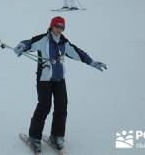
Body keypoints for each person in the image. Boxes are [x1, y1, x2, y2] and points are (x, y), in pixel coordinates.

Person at [14, 16, 107, 153]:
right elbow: (29, 43)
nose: (59, 29)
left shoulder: (64, 43)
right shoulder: (43, 39)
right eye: (57, 26)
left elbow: (77, 52)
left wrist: (91, 62)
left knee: (62, 105)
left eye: (62, 27)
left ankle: (56, 136)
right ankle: (34, 137)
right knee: (44, 106)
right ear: (51, 26)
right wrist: (22, 46)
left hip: (59, 79)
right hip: (44, 79)